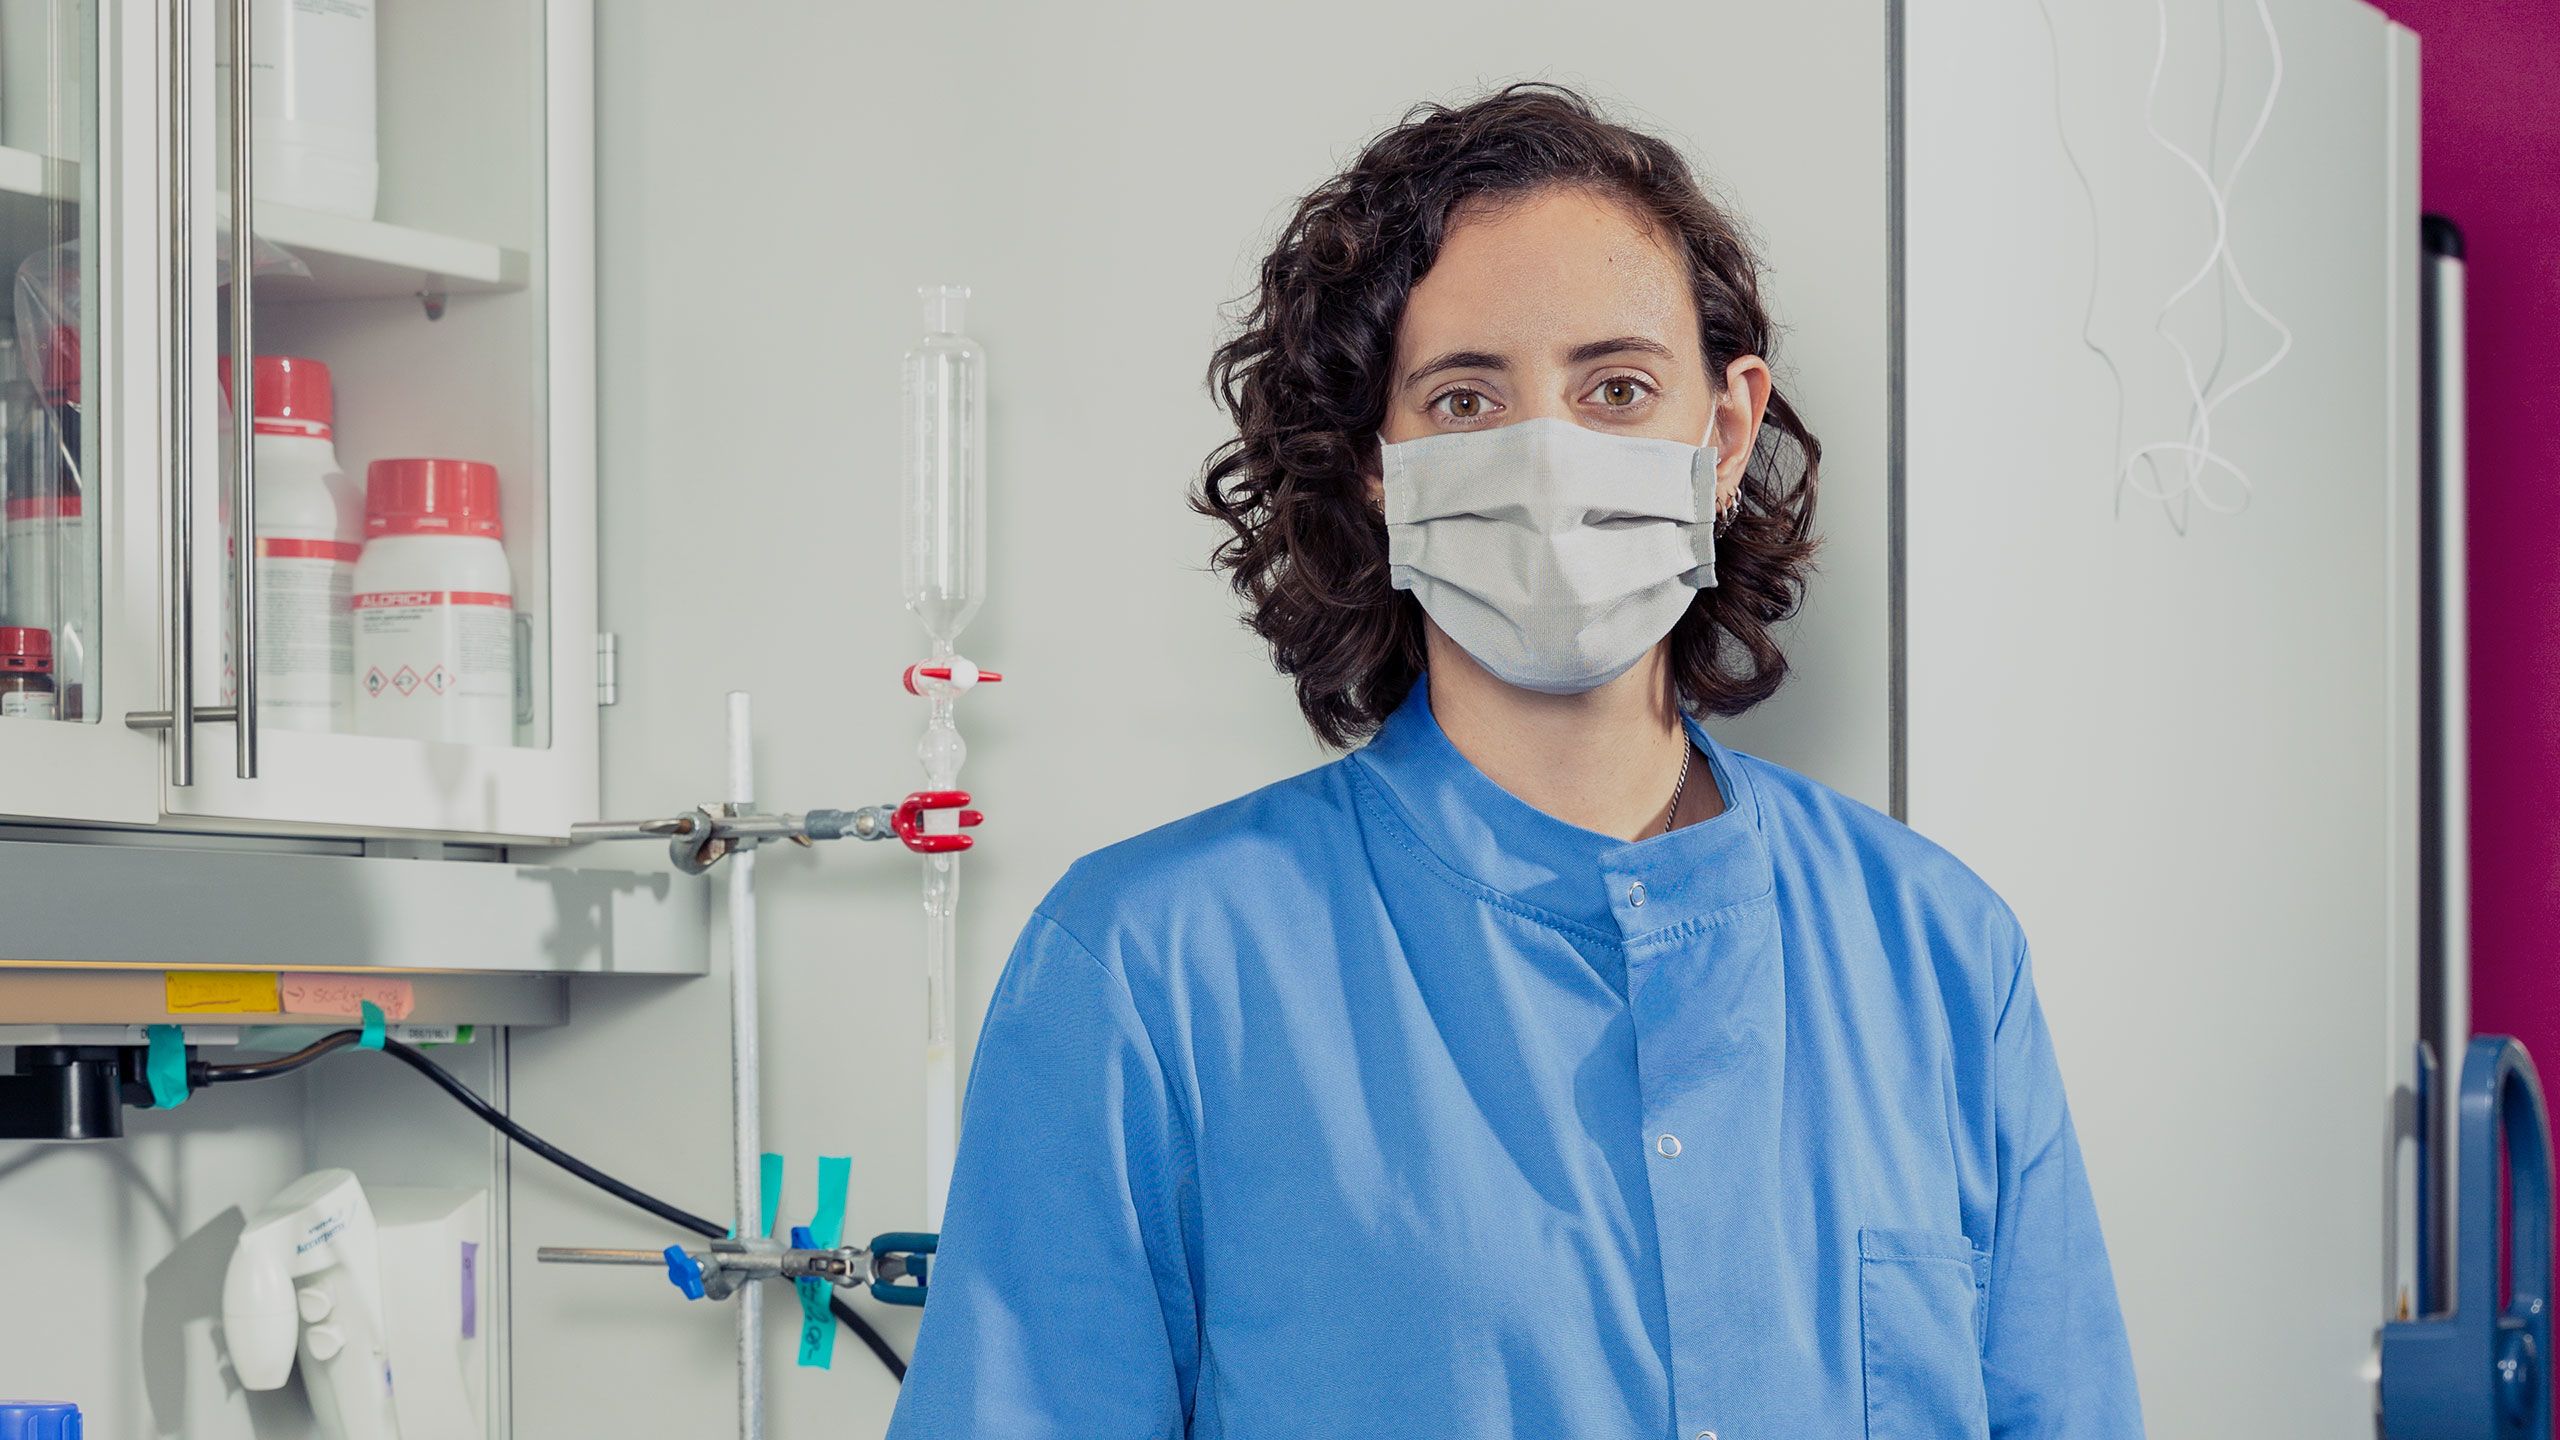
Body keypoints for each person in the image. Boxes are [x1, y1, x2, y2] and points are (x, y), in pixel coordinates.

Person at [885, 81, 2141, 1439]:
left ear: (1724, 432)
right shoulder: (1155, 972)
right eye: (1467, 397)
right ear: (1375, 465)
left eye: (1617, 388)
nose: (1550, 459)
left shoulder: (1937, 953)